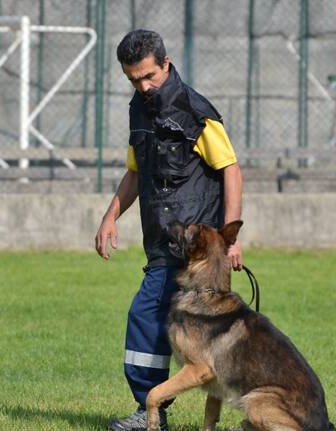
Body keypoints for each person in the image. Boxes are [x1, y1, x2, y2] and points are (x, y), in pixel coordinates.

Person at [95, 29, 243, 431]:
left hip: (197, 251)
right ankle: (154, 410)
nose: (143, 86)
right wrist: (111, 215)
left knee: (152, 317)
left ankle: (152, 411)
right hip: (163, 241)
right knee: (160, 323)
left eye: (148, 76)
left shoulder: (195, 111)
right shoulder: (138, 110)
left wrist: (231, 240)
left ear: (166, 62)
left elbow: (230, 170)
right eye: (133, 79)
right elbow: (135, 171)